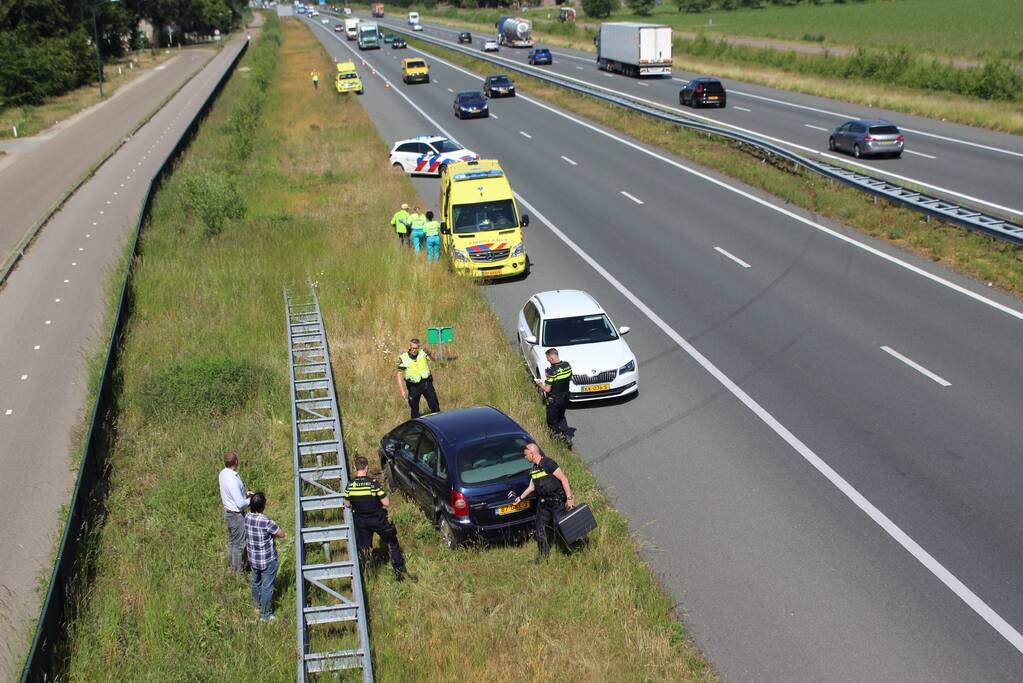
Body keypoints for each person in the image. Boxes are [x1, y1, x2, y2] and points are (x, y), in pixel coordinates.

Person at [343, 456, 416, 582]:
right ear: (366, 468)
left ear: (355, 468)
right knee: (392, 542)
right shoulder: (373, 484)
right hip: (378, 520)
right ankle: (399, 571)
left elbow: (347, 504)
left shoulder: (350, 485)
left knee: (365, 547)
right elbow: (386, 502)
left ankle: (367, 574)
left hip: (361, 521)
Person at [511, 443, 575, 563]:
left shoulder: (548, 463)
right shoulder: (534, 469)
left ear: (532, 452)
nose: (525, 457)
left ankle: (569, 551)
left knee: (561, 528)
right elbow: (531, 487)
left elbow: (564, 479)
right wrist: (520, 498)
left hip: (557, 502)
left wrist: (570, 498)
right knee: (540, 530)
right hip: (544, 505)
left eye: (526, 455)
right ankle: (542, 557)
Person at [245, 492, 286, 621]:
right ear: (263, 506)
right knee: (267, 587)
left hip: (253, 558)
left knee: (256, 582)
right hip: (267, 560)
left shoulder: (246, 517)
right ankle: (266, 615)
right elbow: (281, 534)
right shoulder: (266, 522)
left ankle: (257, 606)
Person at [219, 450, 252, 574]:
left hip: (228, 512)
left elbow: (233, 495)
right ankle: (238, 572)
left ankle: (231, 566)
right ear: (236, 461)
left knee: (232, 541)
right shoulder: (233, 479)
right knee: (239, 545)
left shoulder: (223, 473)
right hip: (236, 515)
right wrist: (251, 499)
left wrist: (244, 494)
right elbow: (240, 504)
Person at [535, 348, 575, 447]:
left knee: (552, 421)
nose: (548, 360)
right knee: (561, 416)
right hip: (566, 397)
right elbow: (570, 378)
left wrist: (539, 383)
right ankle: (567, 436)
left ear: (552, 358)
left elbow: (547, 389)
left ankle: (556, 441)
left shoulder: (552, 371)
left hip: (555, 400)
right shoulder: (567, 365)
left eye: (548, 358)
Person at [396, 337, 440, 418]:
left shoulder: (423, 353)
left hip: (426, 383)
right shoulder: (404, 357)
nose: (414, 350)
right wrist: (402, 391)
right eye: (412, 348)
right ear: (409, 347)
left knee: (434, 405)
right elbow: (399, 374)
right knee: (414, 409)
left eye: (416, 348)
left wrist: (430, 354)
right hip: (413, 386)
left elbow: (434, 360)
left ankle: (438, 420)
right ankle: (416, 425)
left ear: (418, 347)